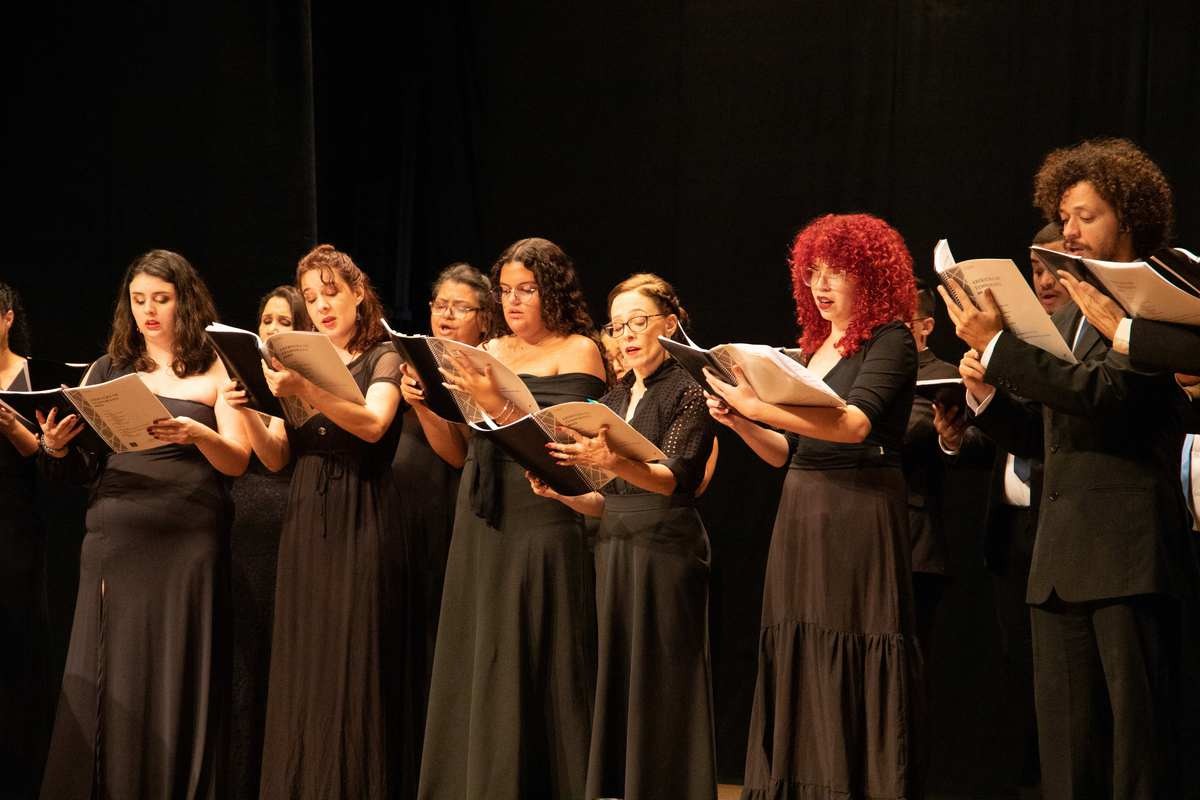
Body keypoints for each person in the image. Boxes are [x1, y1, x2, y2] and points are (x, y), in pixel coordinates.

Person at [943, 137, 1192, 798]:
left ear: (1129, 218)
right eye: (1065, 217)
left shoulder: (1151, 300)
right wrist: (988, 397)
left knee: (1136, 749)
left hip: (1126, 556)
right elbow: (1049, 433)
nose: (1069, 231)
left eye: (1084, 216)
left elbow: (1103, 396)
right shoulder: (1081, 313)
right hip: (1058, 562)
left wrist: (997, 344)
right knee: (1066, 754)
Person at [705, 214, 923, 800]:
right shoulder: (814, 346)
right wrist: (742, 419)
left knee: (853, 637)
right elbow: (784, 453)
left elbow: (853, 426)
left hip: (857, 506)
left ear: (872, 277)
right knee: (798, 641)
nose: (821, 286)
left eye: (837, 273)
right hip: (802, 505)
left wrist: (757, 403)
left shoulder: (891, 338)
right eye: (814, 273)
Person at [37, 249, 250, 799]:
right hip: (118, 534)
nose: (148, 311)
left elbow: (238, 460)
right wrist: (57, 450)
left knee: (174, 667)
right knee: (114, 671)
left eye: (161, 299)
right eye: (138, 301)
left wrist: (197, 435)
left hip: (187, 536)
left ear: (186, 300)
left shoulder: (216, 365)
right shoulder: (108, 368)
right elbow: (86, 466)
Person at [418, 237, 607, 800]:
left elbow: (563, 445)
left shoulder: (581, 351)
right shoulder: (491, 348)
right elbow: (456, 452)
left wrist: (496, 404)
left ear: (552, 291)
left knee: (538, 645)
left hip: (543, 510)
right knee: (480, 648)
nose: (513, 302)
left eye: (526, 290)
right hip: (482, 513)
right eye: (504, 291)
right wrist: (426, 403)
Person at [527, 273, 718, 800]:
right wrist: (562, 493)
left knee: (663, 679)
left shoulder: (689, 388)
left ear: (670, 324)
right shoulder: (610, 399)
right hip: (612, 545)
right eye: (618, 326)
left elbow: (672, 479)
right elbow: (603, 501)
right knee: (617, 674)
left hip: (665, 547)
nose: (627, 335)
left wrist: (612, 460)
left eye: (640, 321)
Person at [237, 245, 405, 800]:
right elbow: (279, 457)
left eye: (331, 292)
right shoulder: (296, 362)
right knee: (304, 651)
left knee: (352, 650)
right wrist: (252, 410)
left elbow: (375, 425)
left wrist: (306, 390)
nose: (322, 305)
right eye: (310, 297)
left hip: (360, 505)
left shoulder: (382, 356)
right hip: (308, 506)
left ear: (358, 292)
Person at [391, 262, 494, 796]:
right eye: (439, 305)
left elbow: (456, 455)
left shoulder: (479, 370)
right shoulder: (411, 358)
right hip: (395, 516)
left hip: (446, 514)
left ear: (484, 319)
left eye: (460, 307)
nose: (446, 315)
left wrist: (424, 405)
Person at [225, 285, 311, 800]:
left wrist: (262, 410)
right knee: (244, 662)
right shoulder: (243, 374)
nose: (271, 329)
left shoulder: (302, 381)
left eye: (283, 321)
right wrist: (247, 410)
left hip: (288, 521)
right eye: (265, 319)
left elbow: (278, 458)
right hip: (242, 524)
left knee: (279, 659)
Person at [0, 282, 53, 798]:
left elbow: (53, 464)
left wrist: (15, 430)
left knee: (16, 654)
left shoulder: (33, 374)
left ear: (8, 318)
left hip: (16, 529)